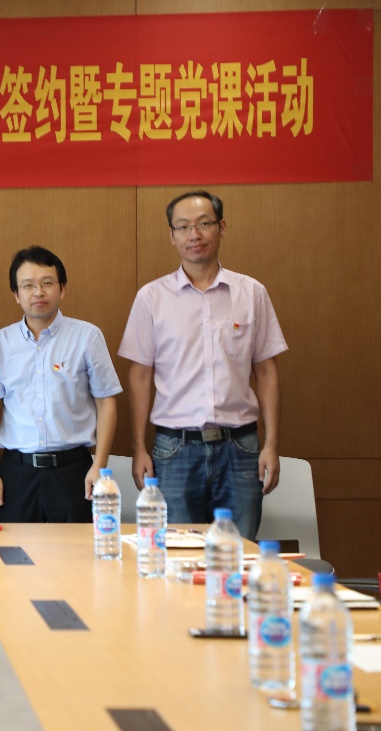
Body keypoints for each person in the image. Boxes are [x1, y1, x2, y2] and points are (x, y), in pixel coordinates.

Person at [119, 190, 286, 539]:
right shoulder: (151, 298)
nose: (194, 234)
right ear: (172, 235)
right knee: (176, 555)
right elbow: (140, 377)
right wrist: (138, 448)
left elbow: (266, 371)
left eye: (204, 224)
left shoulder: (251, 293)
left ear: (221, 228)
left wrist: (271, 444)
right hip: (174, 449)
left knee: (237, 553)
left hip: (241, 447)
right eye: (183, 227)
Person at [0, 246, 121, 522]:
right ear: (16, 294)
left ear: (62, 289)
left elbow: (107, 403)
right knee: (13, 549)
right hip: (16, 473)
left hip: (74, 470)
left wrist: (99, 464)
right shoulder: (0, 343)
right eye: (28, 285)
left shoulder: (87, 337)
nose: (38, 292)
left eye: (47, 283)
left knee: (77, 549)